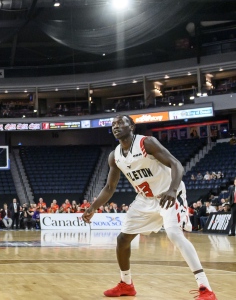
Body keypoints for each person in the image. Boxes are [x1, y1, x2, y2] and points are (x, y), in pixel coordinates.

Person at [82, 115, 217, 300]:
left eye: (120, 123)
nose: (116, 126)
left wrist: (172, 189)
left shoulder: (147, 143)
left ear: (132, 126)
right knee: (122, 239)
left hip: (168, 195)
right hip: (145, 199)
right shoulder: (114, 156)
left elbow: (176, 164)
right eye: (113, 124)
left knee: (174, 234)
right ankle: (126, 284)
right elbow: (110, 187)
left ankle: (205, 288)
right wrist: (93, 208)